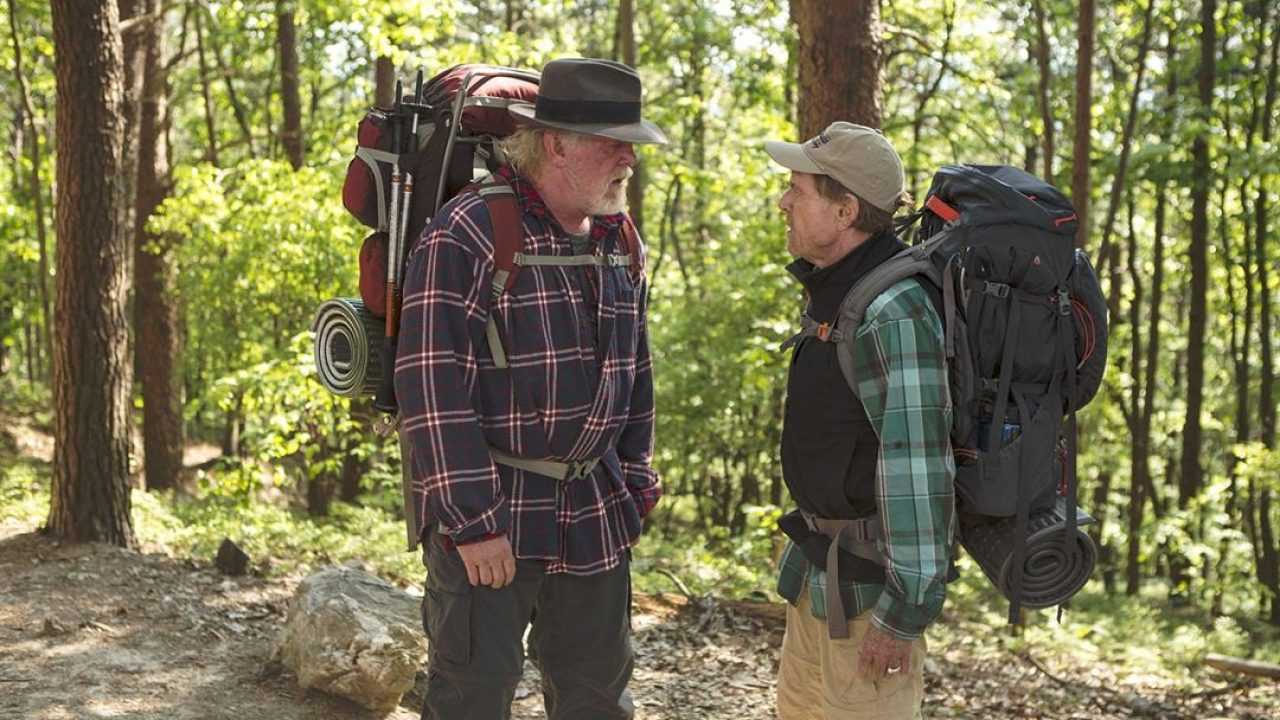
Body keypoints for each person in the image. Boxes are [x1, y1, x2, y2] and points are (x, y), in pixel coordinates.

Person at [393, 57, 667, 720]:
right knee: (471, 698)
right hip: (495, 516)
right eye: (612, 143)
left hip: (596, 511)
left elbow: (636, 372)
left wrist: (635, 483)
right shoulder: (471, 232)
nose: (628, 158)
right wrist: (474, 522)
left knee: (599, 700)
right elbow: (429, 384)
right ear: (555, 143)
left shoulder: (616, 237)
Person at [764, 122, 955, 719]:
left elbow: (918, 464)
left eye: (799, 190)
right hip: (820, 582)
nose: (784, 202)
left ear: (845, 210)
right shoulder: (838, 293)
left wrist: (906, 612)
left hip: (873, 600)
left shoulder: (894, 310)